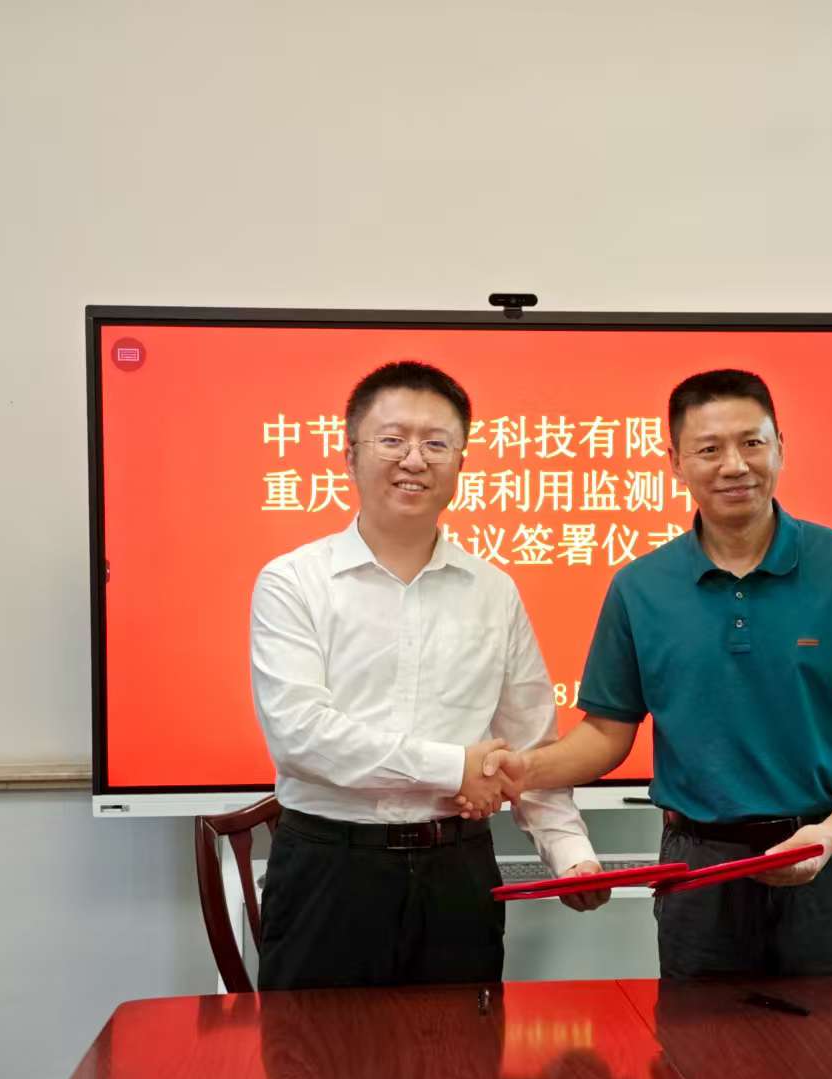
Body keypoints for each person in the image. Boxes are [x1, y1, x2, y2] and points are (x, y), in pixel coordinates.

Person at [466, 369, 832, 978]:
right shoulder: (640, 588)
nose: (734, 465)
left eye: (752, 442)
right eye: (709, 449)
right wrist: (522, 771)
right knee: (698, 1038)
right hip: (699, 864)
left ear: (780, 447)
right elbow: (606, 734)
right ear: (676, 463)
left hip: (828, 851)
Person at [250, 360, 606, 991]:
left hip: (457, 872)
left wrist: (571, 855)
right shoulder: (293, 581)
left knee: (463, 1053)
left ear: (460, 463)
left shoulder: (493, 591)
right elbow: (301, 735)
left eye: (436, 444)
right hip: (328, 871)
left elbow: (530, 747)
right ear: (350, 454)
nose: (414, 459)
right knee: (315, 1054)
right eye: (392, 439)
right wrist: (454, 768)